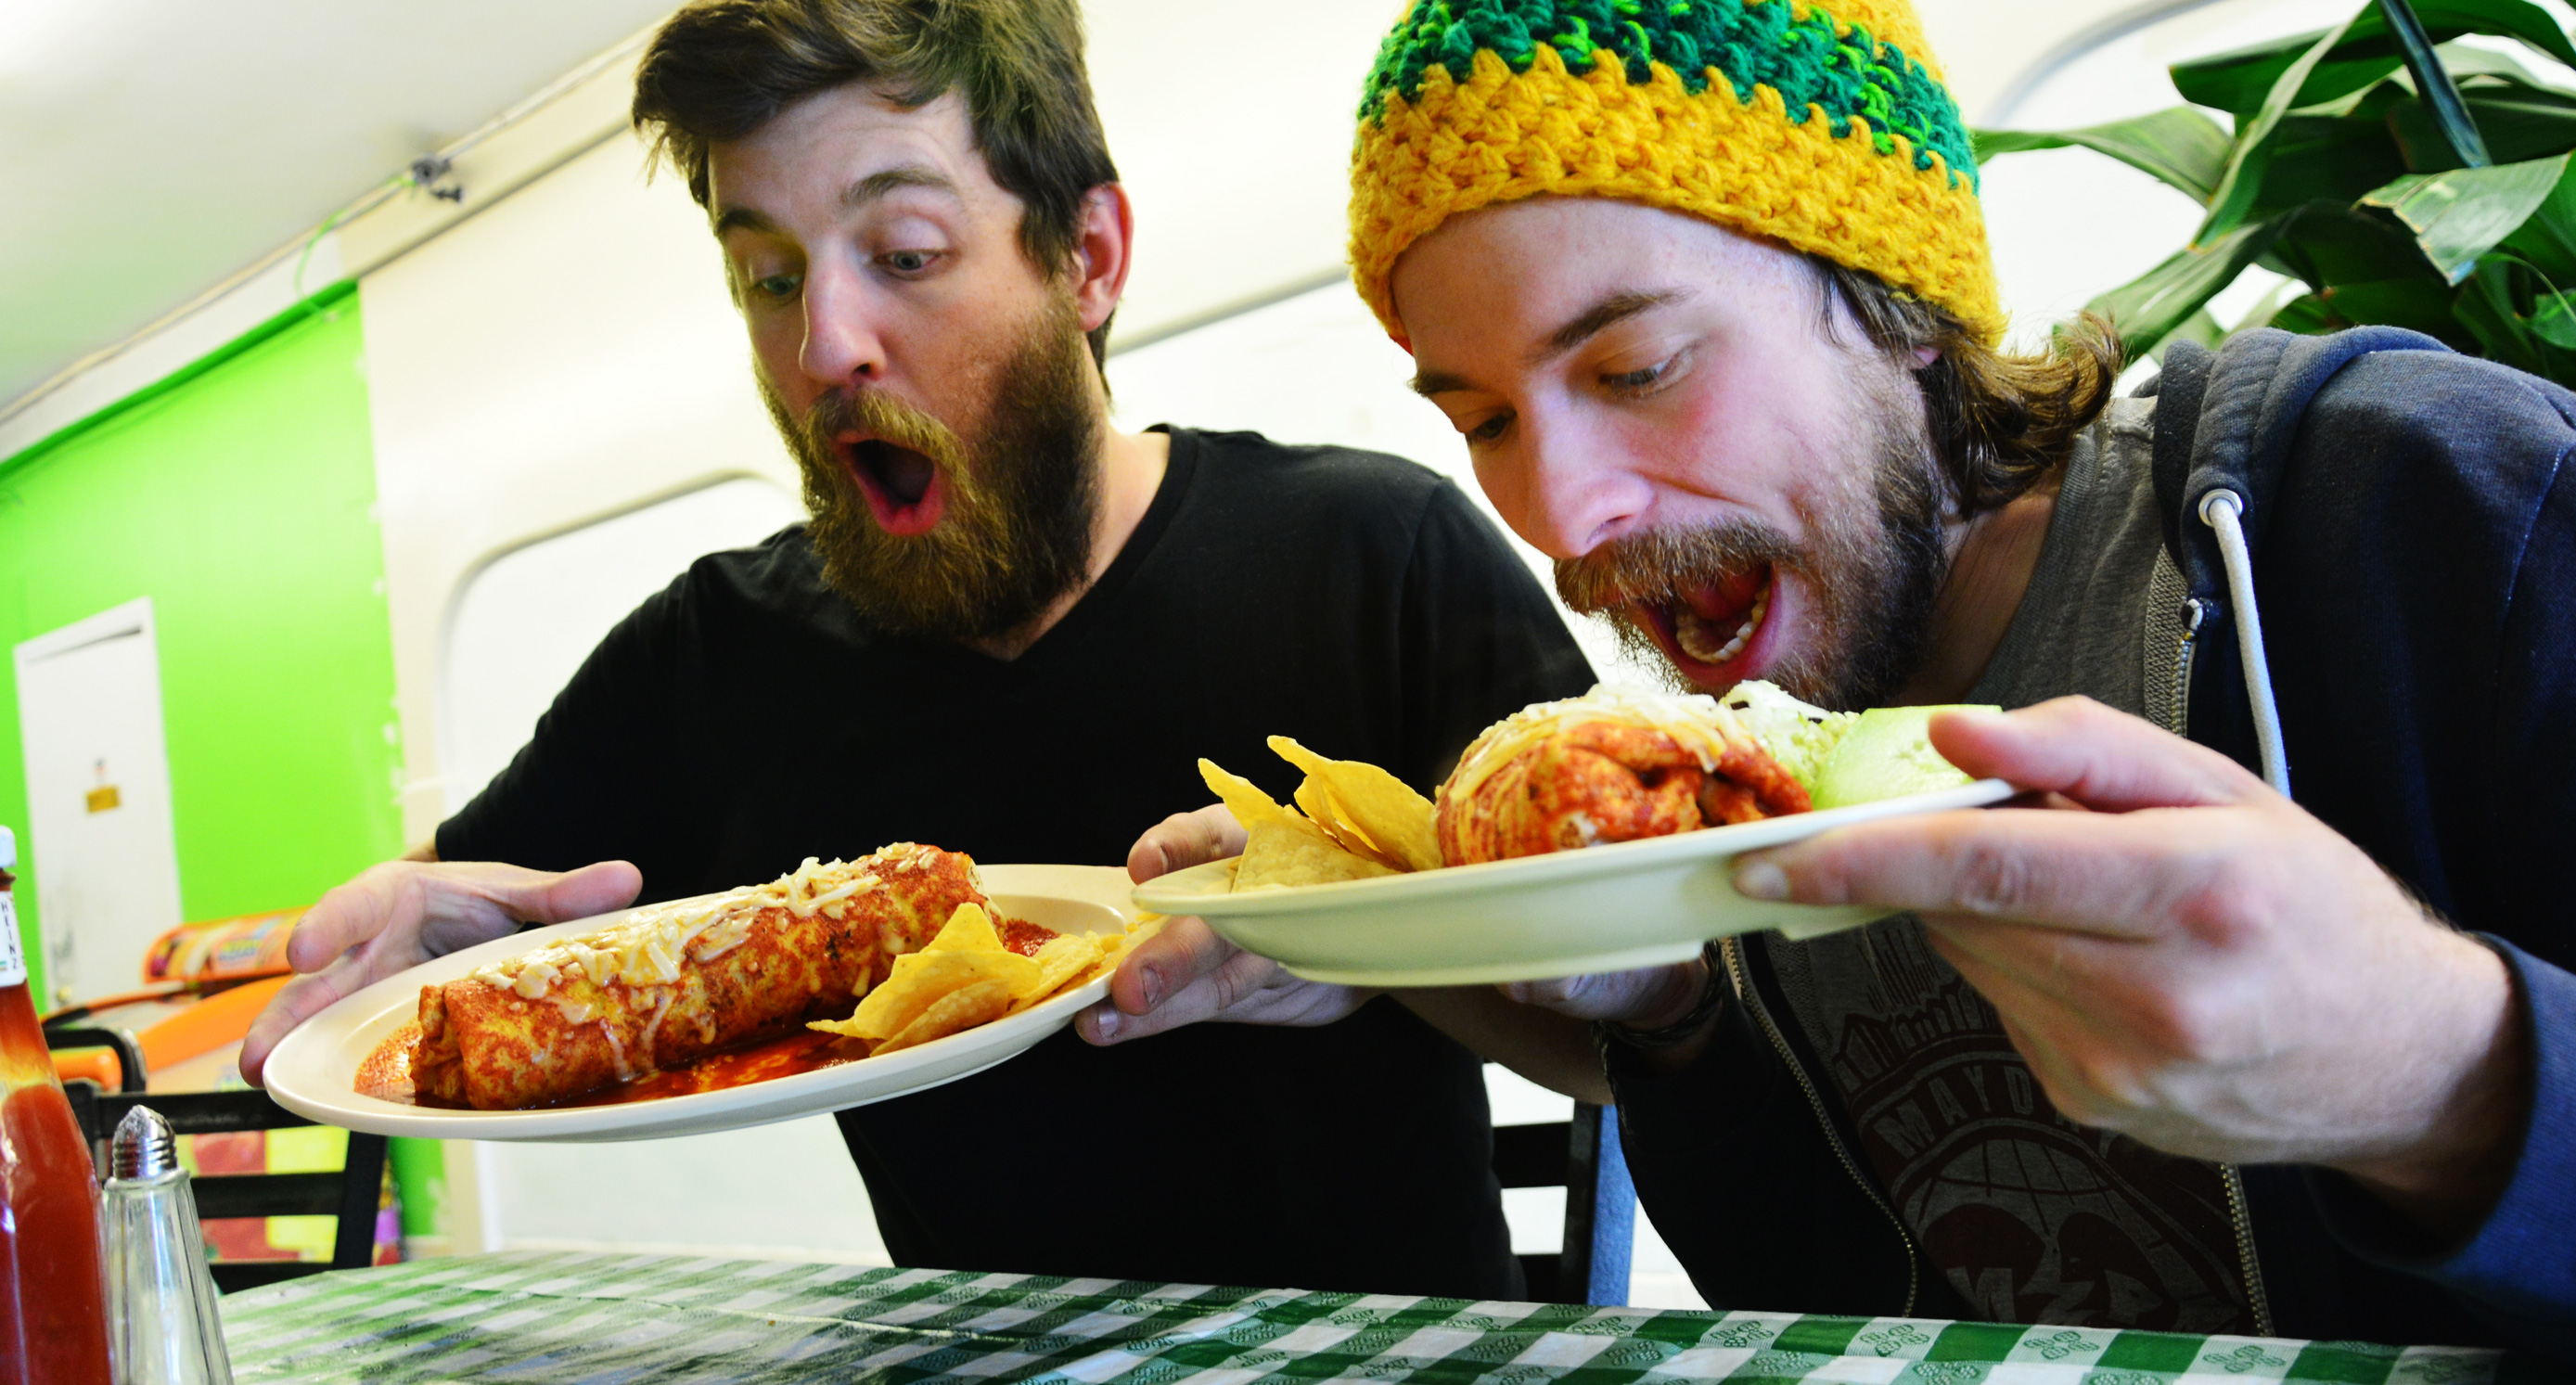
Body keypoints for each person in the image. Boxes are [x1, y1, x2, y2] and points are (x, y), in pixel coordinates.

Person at [1100, 0, 2576, 1372]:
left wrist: (2442, 1070)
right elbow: (1863, 1302)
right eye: (1482, 418)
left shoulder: (2434, 508)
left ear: (1899, 304)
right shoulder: (1745, 754)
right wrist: (1672, 1015)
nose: (1562, 512)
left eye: (1637, 366)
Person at [236, 0, 1601, 1298]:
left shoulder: (1375, 552)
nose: (824, 344)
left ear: (1087, 259)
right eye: (769, 277)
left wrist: (1374, 939)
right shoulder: (711, 657)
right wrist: (426, 944)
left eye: (903, 254)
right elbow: (474, 919)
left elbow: (1634, 1033)